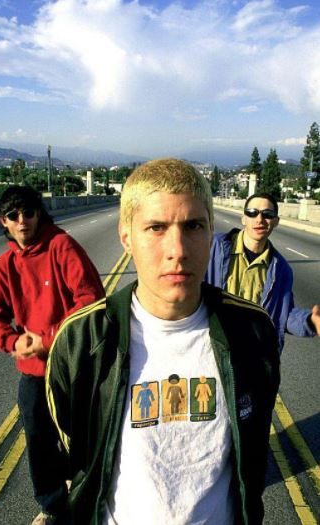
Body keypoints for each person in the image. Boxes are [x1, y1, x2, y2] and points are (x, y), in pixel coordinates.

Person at [46, 159, 280, 525]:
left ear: (211, 231)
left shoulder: (252, 331)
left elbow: (251, 445)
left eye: (193, 226)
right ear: (126, 236)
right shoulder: (82, 340)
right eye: (156, 228)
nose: (178, 249)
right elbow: (79, 452)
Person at [0, 186, 105, 525]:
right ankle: (52, 504)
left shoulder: (60, 246)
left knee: (82, 432)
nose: (23, 221)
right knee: (37, 436)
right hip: (34, 369)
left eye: (29, 213)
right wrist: (13, 342)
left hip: (74, 364)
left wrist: (49, 339)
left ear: (39, 213)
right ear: (2, 221)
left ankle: (88, 492)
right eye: (14, 216)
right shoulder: (7, 264)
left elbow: (91, 299)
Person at [205, 192, 320, 352]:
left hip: (253, 356)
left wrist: (310, 321)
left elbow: (284, 315)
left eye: (268, 214)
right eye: (252, 213)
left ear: (276, 221)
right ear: (243, 218)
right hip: (211, 350)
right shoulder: (212, 248)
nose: (259, 219)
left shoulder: (281, 269)